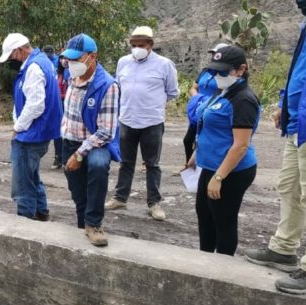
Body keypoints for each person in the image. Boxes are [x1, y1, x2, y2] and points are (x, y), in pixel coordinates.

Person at [244, 0, 306, 294]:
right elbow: (301, 72)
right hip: (297, 123)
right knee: (289, 188)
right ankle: (284, 248)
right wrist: (284, 104)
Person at [188, 46, 259, 256]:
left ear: (240, 70)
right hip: (210, 165)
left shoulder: (243, 99)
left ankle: (222, 269)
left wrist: (219, 177)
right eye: (215, 71)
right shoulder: (223, 92)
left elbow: (240, 145)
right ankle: (206, 261)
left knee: (223, 220)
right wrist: (196, 153)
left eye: (223, 72)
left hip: (231, 171)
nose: (217, 76)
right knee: (204, 213)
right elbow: (207, 125)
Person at [105, 26, 179, 221]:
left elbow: (172, 92)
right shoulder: (123, 62)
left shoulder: (164, 65)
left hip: (152, 122)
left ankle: (154, 202)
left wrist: (151, 105)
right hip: (127, 120)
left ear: (151, 45)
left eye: (141, 45)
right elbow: (118, 86)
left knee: (152, 164)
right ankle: (121, 197)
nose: (137, 48)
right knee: (126, 162)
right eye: (134, 45)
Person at [60, 34, 121, 247]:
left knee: (97, 165)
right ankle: (82, 226)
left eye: (77, 58)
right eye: (69, 59)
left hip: (96, 143)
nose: (71, 63)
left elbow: (106, 131)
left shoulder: (108, 85)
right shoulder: (71, 77)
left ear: (92, 56)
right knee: (78, 194)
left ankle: (94, 224)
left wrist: (79, 154)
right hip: (70, 140)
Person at [0, 34, 62, 220]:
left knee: (22, 184)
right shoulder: (43, 61)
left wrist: (18, 127)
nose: (10, 61)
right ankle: (41, 212)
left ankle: (25, 221)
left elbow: (36, 104)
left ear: (19, 50)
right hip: (40, 131)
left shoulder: (33, 67)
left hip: (31, 133)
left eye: (11, 56)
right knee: (31, 174)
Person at [183, 43, 228, 162]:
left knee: (204, 140)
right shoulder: (205, 71)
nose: (214, 56)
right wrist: (197, 98)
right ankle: (190, 165)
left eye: (216, 54)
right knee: (188, 140)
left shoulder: (227, 75)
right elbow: (194, 87)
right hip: (199, 110)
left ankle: (203, 167)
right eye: (213, 54)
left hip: (213, 110)